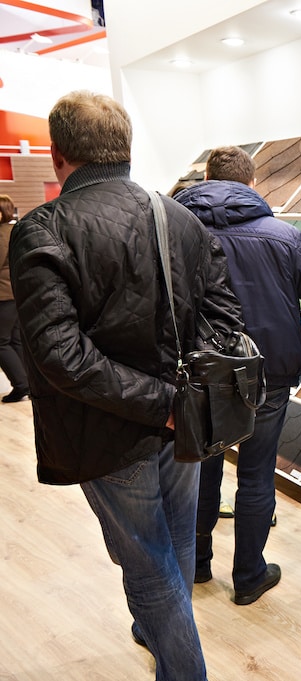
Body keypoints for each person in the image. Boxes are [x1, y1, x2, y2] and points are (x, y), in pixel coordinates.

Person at [9, 91, 245, 680]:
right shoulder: (180, 217)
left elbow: (60, 355)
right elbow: (227, 322)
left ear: (58, 152)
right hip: (183, 422)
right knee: (169, 549)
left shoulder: (44, 227)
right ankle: (162, 633)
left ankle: (181, 666)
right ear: (126, 146)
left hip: (111, 431)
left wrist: (165, 404)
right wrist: (180, 401)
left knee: (146, 564)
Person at [175, 145, 301, 605]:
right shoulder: (283, 235)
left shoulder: (175, 231)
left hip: (201, 374)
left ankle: (198, 565)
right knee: (255, 475)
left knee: (202, 467)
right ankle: (249, 577)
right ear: (252, 185)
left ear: (207, 179)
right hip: (267, 372)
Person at [0, 194, 30, 403]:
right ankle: (27, 383)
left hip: (3, 294)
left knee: (1, 342)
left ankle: (21, 385)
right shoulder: (17, 229)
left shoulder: (1, 234)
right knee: (16, 339)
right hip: (18, 291)